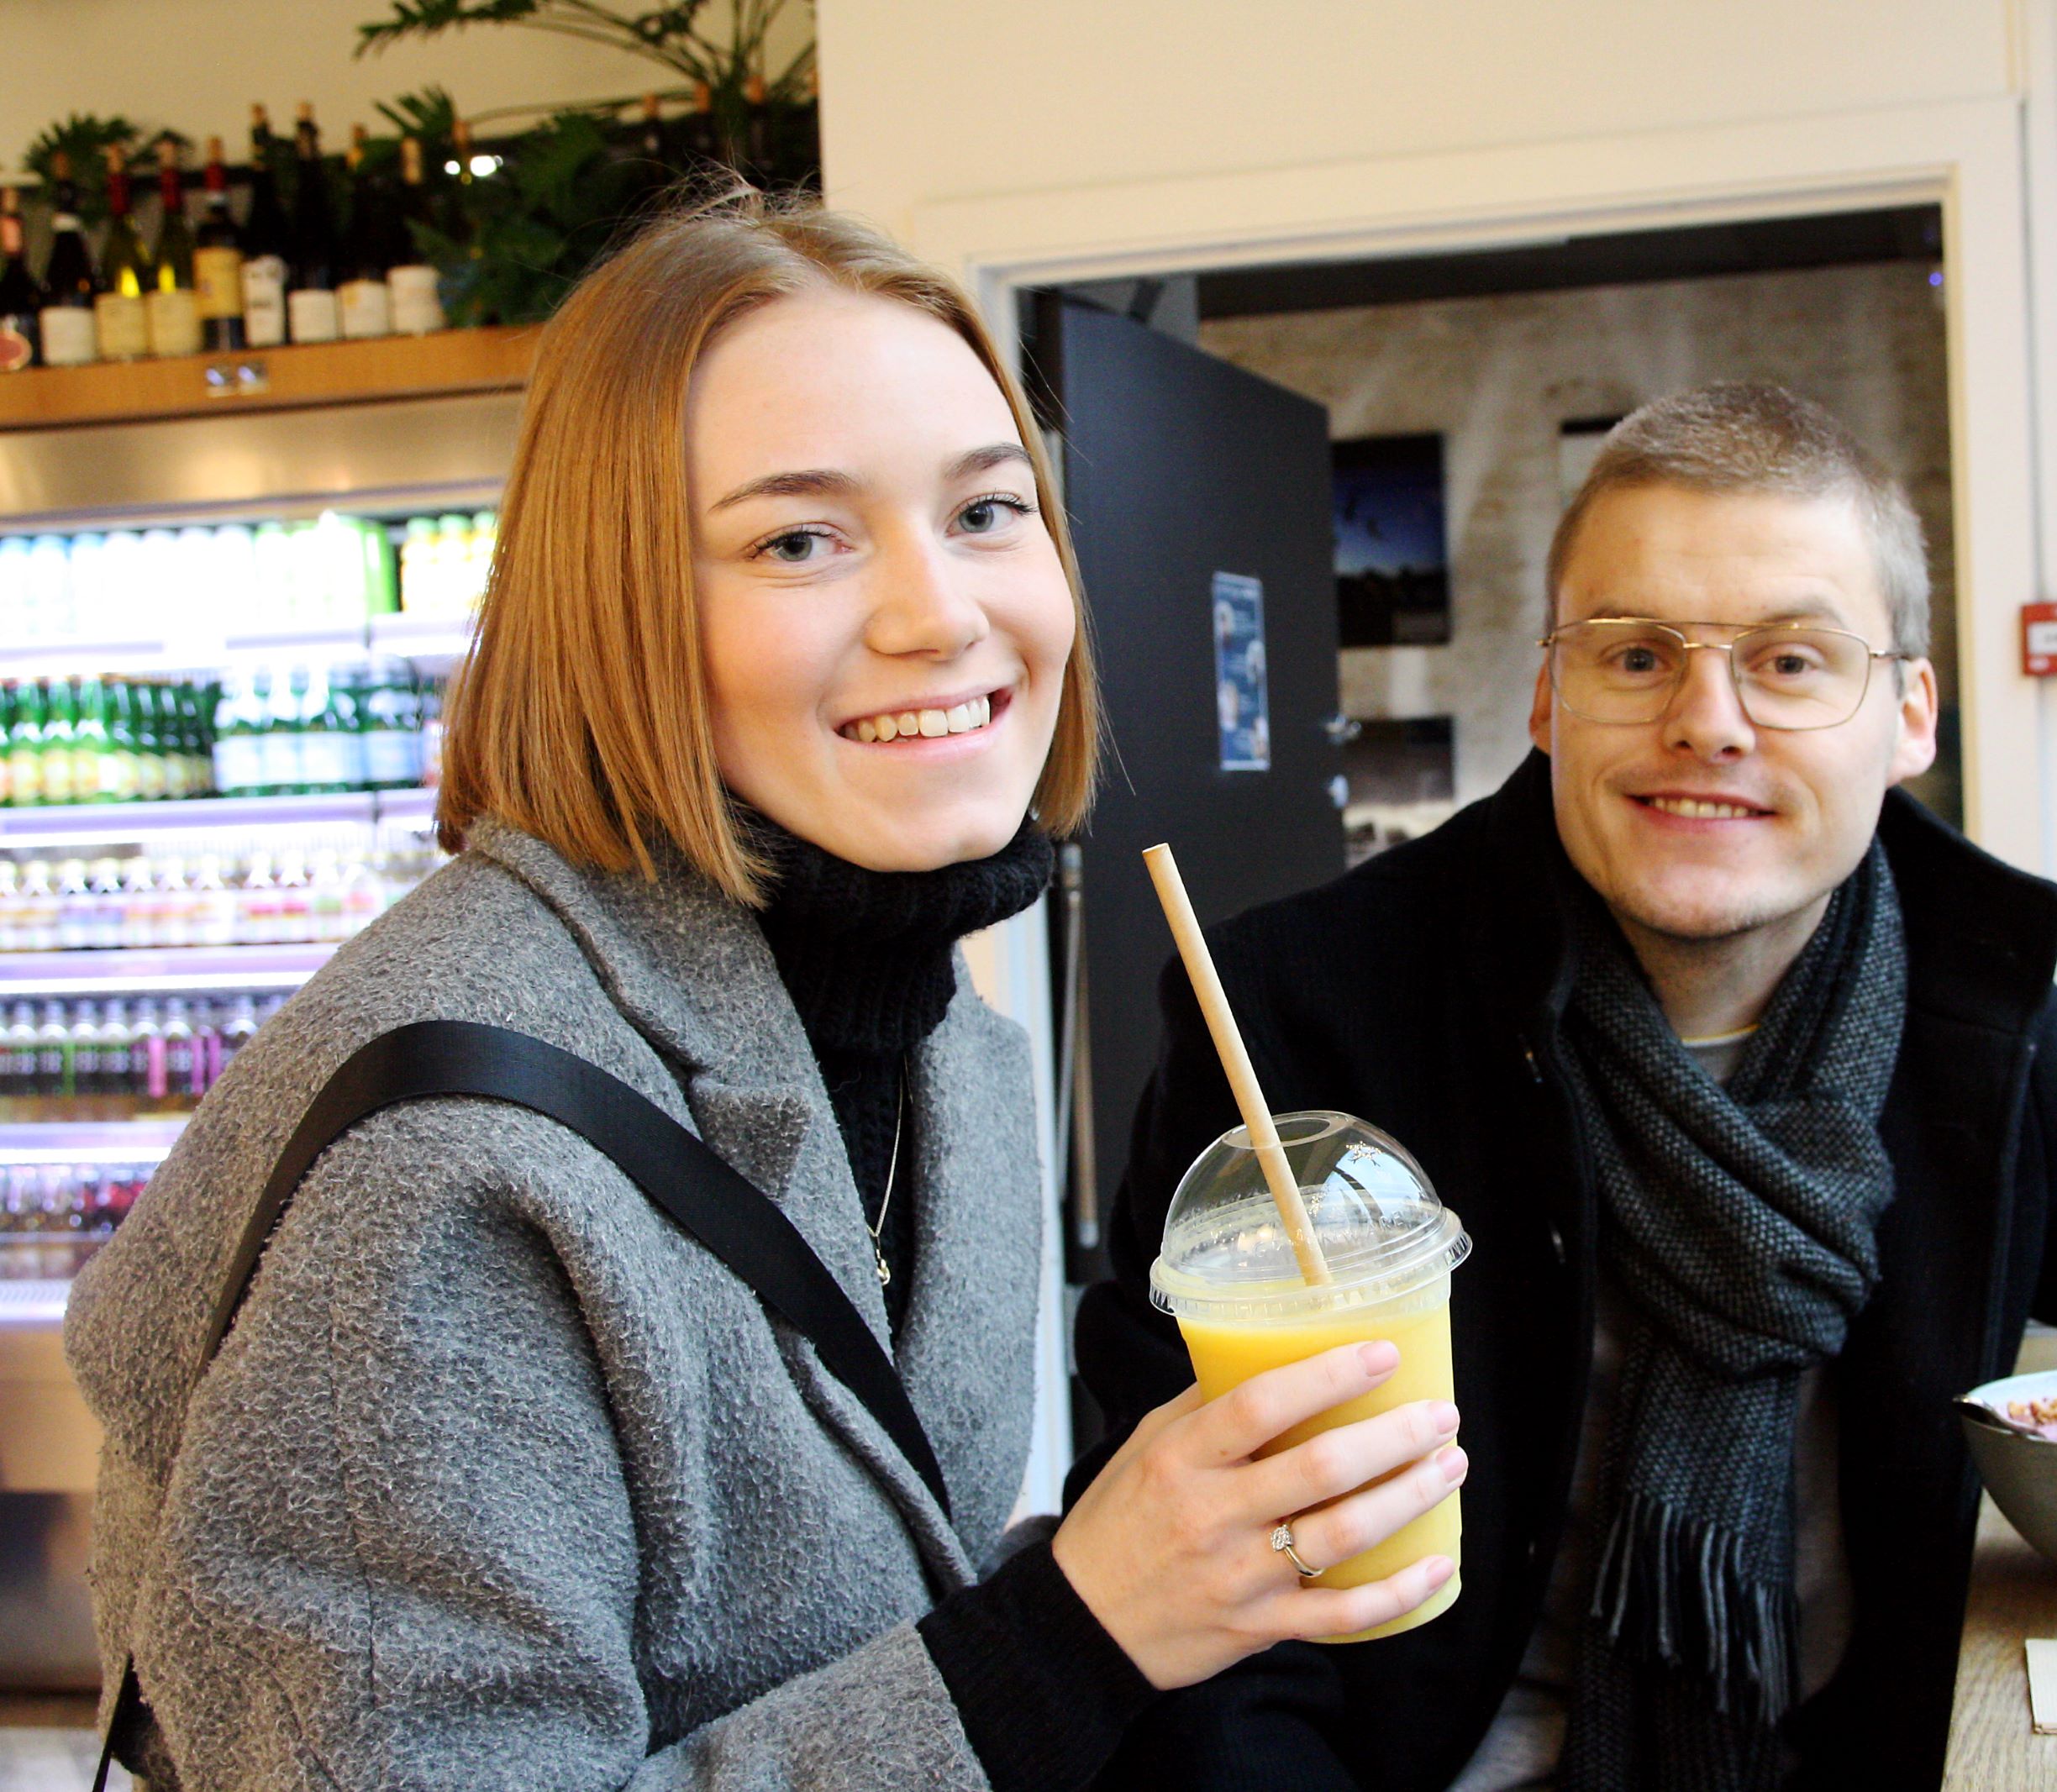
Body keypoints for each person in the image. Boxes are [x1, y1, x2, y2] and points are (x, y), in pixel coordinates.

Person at [1072, 383, 2057, 1790]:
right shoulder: (1302, 1013)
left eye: (1791, 659)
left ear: (1908, 715)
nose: (1707, 721)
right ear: (1550, 698)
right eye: (1638, 653)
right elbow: (1192, 1592)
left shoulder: (1973, 1030)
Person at [66, 192, 1462, 1792]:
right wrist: (1075, 1628)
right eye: (798, 538)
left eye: (989, 512)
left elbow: (823, 1605)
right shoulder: (449, 1167)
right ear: (621, 606)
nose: (942, 614)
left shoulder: (957, 1059)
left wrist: (1130, 1591)